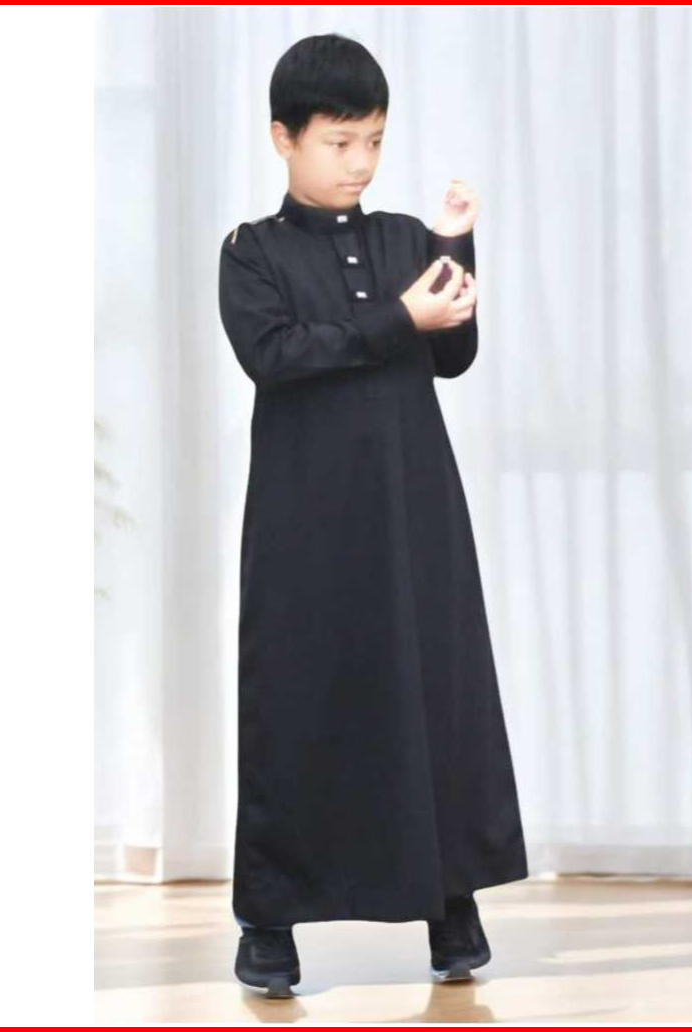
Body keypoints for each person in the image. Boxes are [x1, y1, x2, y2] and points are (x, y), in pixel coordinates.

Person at [217, 33, 529, 997]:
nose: (360, 162)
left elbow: (452, 357)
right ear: (283, 138)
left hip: (414, 508)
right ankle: (270, 920)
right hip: (304, 520)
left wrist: (453, 246)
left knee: (434, 693)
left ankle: (451, 901)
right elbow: (277, 356)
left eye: (375, 141)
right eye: (339, 142)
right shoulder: (252, 252)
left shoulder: (399, 239)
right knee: (296, 702)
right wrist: (400, 319)